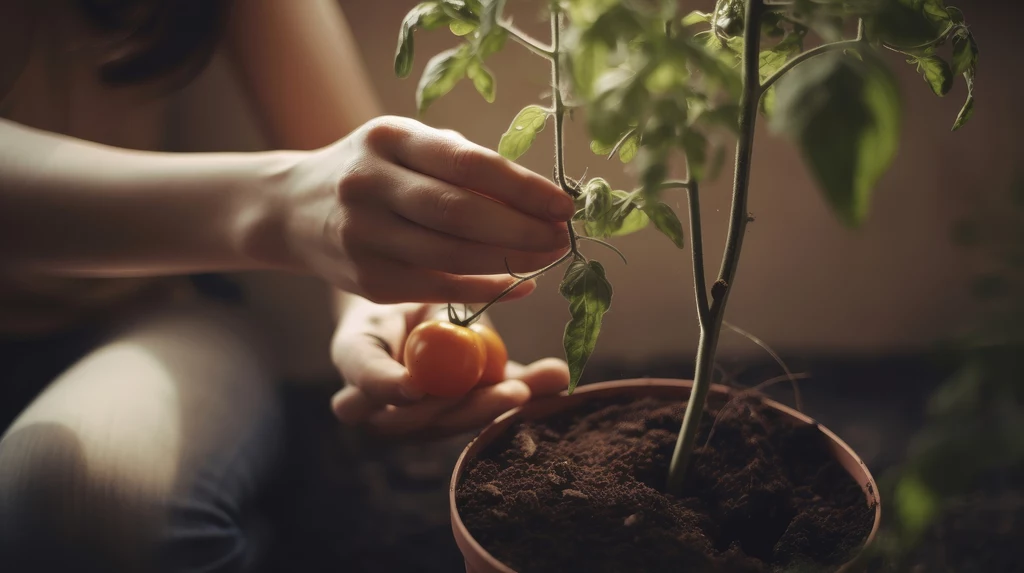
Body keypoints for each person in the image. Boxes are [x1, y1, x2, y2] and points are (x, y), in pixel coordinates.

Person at [0, 1, 572, 571]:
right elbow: (315, 192)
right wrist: (276, 204)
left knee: (83, 505)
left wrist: (386, 304)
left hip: (141, 314)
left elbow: (340, 167)